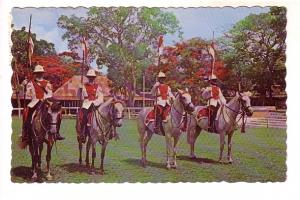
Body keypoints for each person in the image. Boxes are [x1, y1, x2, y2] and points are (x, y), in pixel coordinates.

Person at [20, 65, 65, 145]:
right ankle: (25, 133)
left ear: (43, 73)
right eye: (38, 73)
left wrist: (46, 100)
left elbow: (50, 94)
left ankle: (56, 133)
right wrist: (24, 86)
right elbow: (28, 94)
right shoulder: (30, 83)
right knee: (26, 114)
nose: (39, 74)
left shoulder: (47, 83)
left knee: (57, 114)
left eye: (40, 73)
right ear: (35, 73)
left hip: (46, 102)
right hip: (35, 102)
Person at [80, 69, 108, 141]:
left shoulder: (97, 86)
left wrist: (97, 102)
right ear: (88, 77)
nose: (91, 78)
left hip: (96, 102)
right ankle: (83, 132)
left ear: (94, 78)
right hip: (87, 103)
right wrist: (79, 90)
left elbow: (101, 96)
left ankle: (107, 131)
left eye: (92, 77)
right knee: (84, 115)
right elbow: (81, 97)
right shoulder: (83, 86)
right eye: (90, 77)